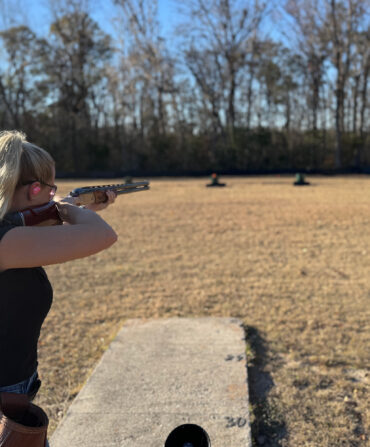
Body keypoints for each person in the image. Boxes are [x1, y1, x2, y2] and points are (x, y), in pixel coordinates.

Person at [0, 130, 118, 444]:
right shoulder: (7, 241)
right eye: (50, 188)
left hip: (15, 392)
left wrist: (65, 206)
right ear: (34, 188)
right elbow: (103, 235)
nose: (54, 194)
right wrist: (66, 208)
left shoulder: (10, 233)